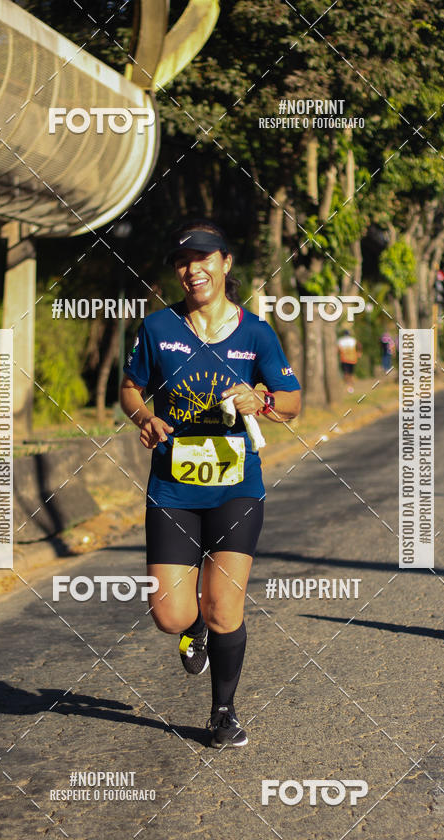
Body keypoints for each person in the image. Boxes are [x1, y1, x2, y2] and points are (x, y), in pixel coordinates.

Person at [120, 219, 301, 749]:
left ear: (225, 263)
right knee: (169, 614)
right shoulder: (158, 328)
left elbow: (292, 404)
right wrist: (144, 418)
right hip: (173, 488)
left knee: (224, 606)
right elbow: (131, 388)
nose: (192, 269)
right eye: (182, 262)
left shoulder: (256, 333)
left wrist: (262, 400)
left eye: (202, 258)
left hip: (236, 487)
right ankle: (191, 628)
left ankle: (224, 712)